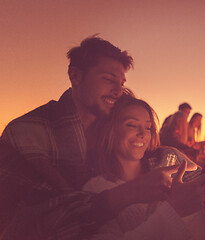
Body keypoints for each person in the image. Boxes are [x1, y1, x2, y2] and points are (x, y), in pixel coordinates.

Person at [0, 36, 143, 239]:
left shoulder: (114, 131)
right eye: (109, 79)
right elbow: (15, 218)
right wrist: (129, 194)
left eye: (121, 83)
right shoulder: (26, 132)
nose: (118, 90)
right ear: (75, 76)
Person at [83, 95, 205, 239]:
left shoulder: (169, 162)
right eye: (131, 125)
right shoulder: (97, 191)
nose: (142, 134)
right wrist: (173, 210)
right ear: (110, 131)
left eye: (147, 127)